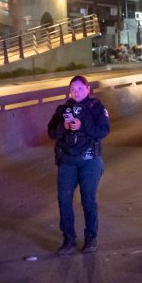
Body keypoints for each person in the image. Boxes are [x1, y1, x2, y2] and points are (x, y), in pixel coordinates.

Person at [47, 76, 111, 256]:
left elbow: (103, 130)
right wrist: (64, 125)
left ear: (88, 89)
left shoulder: (96, 107)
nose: (76, 92)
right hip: (67, 161)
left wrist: (83, 125)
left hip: (90, 160)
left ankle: (91, 238)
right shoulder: (63, 109)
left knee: (88, 200)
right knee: (64, 199)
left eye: (80, 89)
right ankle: (68, 240)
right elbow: (51, 132)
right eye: (73, 89)